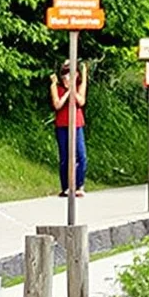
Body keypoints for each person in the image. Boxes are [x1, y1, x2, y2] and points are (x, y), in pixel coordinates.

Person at [50, 58, 88, 197]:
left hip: (77, 124)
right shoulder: (56, 87)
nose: (68, 76)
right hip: (62, 125)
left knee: (81, 155)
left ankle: (79, 185)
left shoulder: (79, 85)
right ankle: (66, 186)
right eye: (65, 73)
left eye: (71, 73)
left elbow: (81, 101)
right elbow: (57, 105)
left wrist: (73, 88)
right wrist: (66, 91)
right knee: (65, 157)